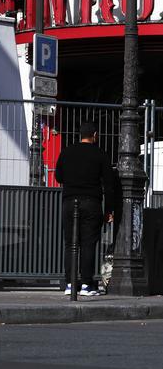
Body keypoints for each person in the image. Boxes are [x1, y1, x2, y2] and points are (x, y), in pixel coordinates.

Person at [54, 120, 115, 296]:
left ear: (80, 135)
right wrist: (109, 210)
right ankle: (87, 285)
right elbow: (109, 184)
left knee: (71, 244)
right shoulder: (100, 154)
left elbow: (58, 176)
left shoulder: (66, 152)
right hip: (91, 202)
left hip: (69, 201)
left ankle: (70, 284)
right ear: (95, 135)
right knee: (88, 243)